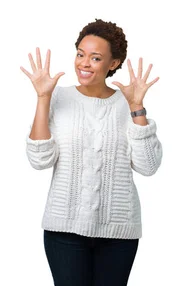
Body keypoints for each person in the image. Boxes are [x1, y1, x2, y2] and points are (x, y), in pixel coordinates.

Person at [23, 19, 162, 286]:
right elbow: (39, 160)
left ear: (113, 63)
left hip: (119, 233)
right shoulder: (57, 97)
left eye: (95, 58)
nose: (84, 63)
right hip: (64, 230)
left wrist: (137, 108)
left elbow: (148, 166)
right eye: (80, 54)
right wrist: (43, 99)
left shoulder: (129, 103)